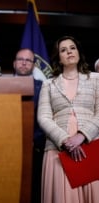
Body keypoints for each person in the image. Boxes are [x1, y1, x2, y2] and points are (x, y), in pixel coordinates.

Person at [37, 35, 99, 203]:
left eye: (72, 48)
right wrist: (65, 140)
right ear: (59, 58)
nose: (69, 52)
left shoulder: (96, 79)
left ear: (79, 52)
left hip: (91, 147)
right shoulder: (48, 84)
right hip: (59, 151)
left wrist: (82, 135)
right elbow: (43, 117)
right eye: (63, 50)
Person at [13, 48, 45, 203]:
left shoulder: (44, 87)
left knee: (33, 191)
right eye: (20, 59)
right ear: (14, 63)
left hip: (35, 149)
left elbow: (46, 118)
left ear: (33, 65)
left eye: (28, 60)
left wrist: (32, 140)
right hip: (7, 147)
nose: (24, 63)